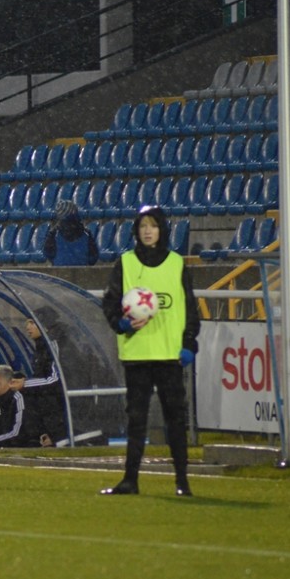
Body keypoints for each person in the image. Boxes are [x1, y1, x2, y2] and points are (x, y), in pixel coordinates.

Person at [99, 205, 200, 497]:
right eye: (143, 225)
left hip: (169, 355)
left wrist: (189, 343)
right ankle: (130, 480)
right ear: (136, 230)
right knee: (137, 420)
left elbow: (190, 308)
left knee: (175, 419)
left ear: (162, 230)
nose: (147, 231)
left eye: (153, 226)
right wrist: (122, 323)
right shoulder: (126, 263)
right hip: (137, 355)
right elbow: (110, 303)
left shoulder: (177, 264)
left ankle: (182, 481)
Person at [20, 311, 67, 445]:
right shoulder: (41, 347)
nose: (27, 327)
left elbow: (55, 378)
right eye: (27, 323)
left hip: (59, 408)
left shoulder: (54, 344)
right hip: (49, 410)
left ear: (45, 326)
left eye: (32, 323)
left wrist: (25, 384)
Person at [44, 199, 98, 266]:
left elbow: (48, 254)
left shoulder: (54, 234)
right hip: (82, 271)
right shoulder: (86, 234)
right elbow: (93, 258)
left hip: (59, 270)